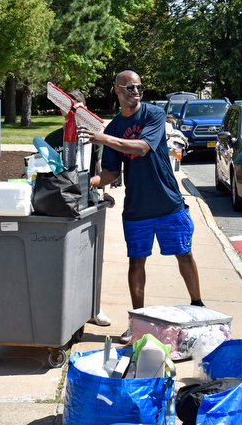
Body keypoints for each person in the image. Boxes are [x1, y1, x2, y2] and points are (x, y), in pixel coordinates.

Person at [78, 70, 204, 344]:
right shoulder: (113, 129)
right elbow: (111, 172)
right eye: (129, 88)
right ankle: (138, 322)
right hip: (137, 208)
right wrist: (93, 182)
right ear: (117, 91)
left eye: (139, 87)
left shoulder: (153, 114)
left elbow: (142, 147)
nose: (135, 92)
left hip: (168, 202)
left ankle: (198, 306)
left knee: (184, 254)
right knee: (136, 262)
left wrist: (103, 139)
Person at [44, 89, 114, 327]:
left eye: (79, 108)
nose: (74, 112)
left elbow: (102, 168)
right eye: (69, 107)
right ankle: (59, 307)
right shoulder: (52, 139)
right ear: (61, 108)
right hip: (59, 204)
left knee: (91, 258)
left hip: (89, 203)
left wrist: (104, 192)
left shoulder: (95, 137)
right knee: (61, 259)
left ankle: (93, 308)